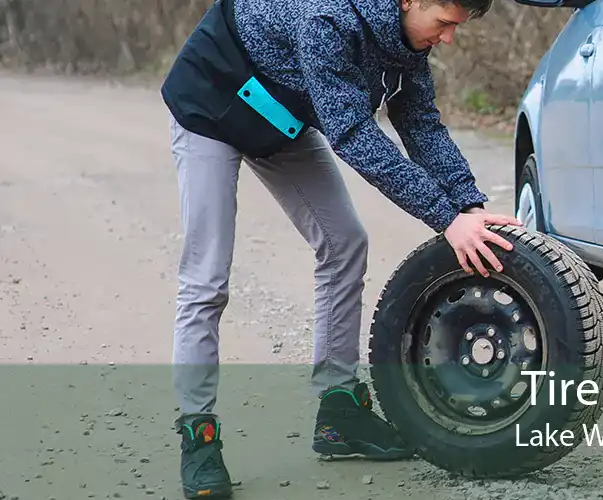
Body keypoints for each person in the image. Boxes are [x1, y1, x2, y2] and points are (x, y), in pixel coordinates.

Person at [159, 0, 518, 497]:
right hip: (210, 104)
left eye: (457, 28)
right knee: (207, 277)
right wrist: (445, 219)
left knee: (345, 243)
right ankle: (197, 434)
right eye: (444, 24)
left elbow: (421, 124)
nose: (449, 39)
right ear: (410, 0)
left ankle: (340, 412)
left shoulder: (406, 41)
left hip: (280, 117)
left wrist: (469, 206)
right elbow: (352, 133)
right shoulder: (326, 21)